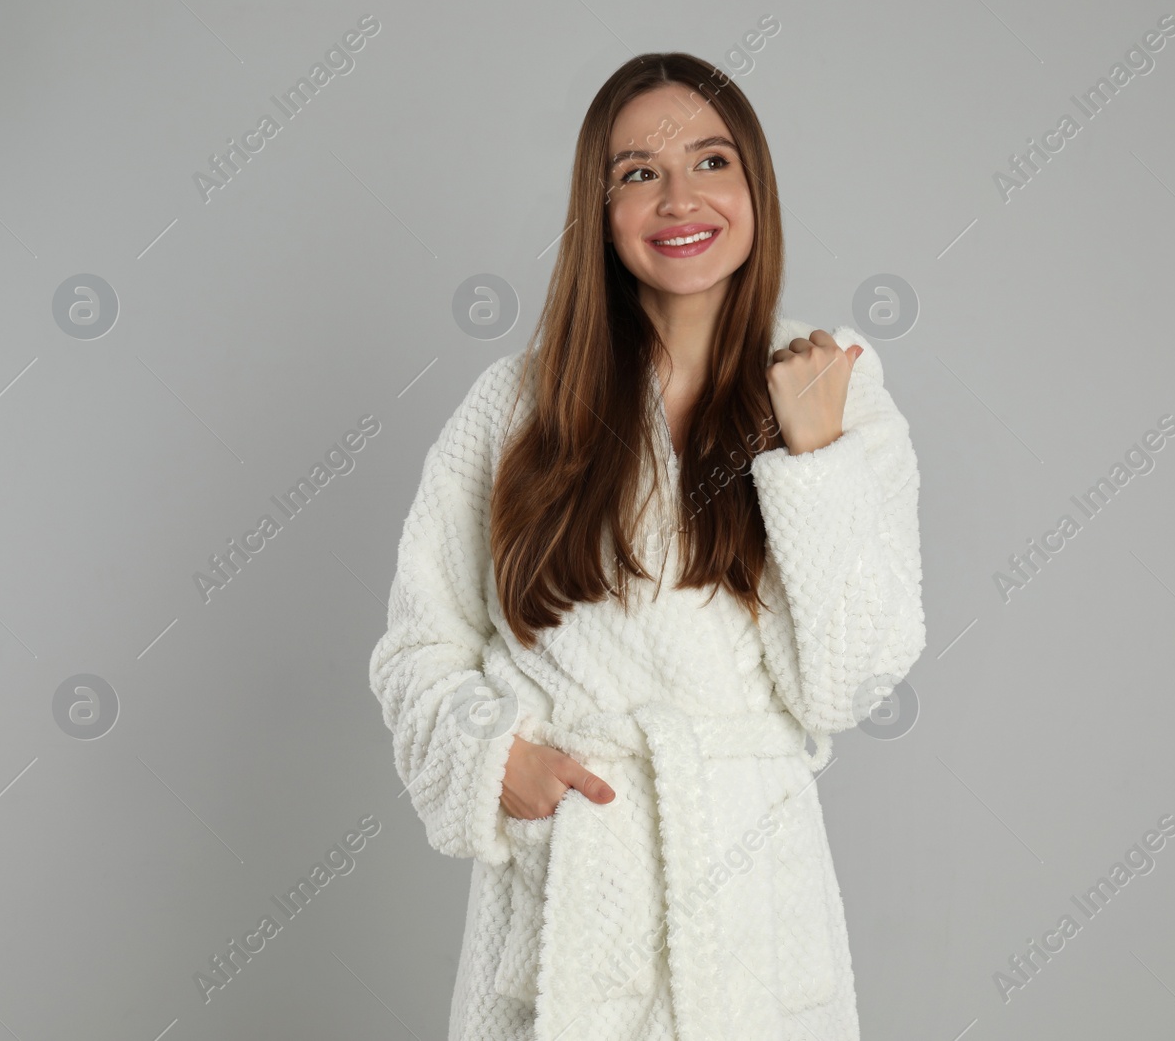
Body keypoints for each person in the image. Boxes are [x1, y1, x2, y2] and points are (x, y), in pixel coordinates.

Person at [369, 51, 925, 1041]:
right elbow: (418, 646)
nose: (680, 197)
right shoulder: (514, 408)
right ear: (600, 205)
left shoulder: (832, 385)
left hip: (752, 915)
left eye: (712, 161)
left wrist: (816, 454)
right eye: (638, 172)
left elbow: (846, 680)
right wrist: (492, 759)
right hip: (571, 895)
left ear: (754, 185)